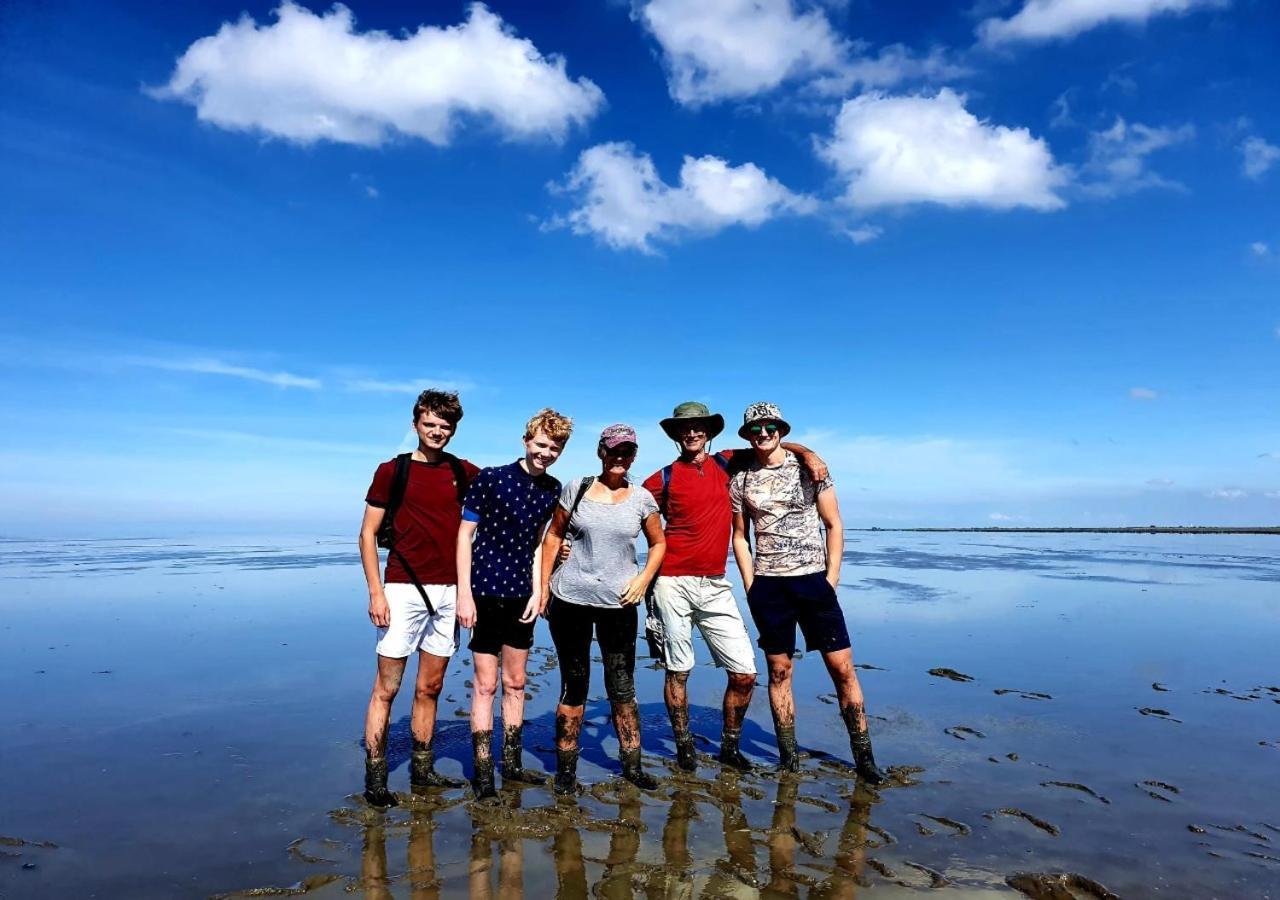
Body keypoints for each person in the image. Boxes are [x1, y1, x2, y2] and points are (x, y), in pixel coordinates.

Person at [640, 401, 829, 773]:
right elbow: (626, 512)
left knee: (745, 673)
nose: (692, 433)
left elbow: (771, 443)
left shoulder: (728, 463)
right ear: (676, 435)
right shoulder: (659, 479)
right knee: (679, 670)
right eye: (684, 428)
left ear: (709, 432)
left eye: (698, 427)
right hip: (670, 582)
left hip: (715, 583)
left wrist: (809, 453)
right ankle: (684, 748)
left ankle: (729, 746)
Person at [729, 402, 885, 784]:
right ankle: (788, 758)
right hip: (769, 585)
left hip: (813, 581)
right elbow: (740, 536)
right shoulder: (741, 479)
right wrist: (751, 584)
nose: (763, 435)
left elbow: (833, 524)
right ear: (747, 435)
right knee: (779, 671)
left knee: (842, 668)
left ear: (780, 429)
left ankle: (864, 759)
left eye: (769, 427)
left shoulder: (811, 469)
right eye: (755, 429)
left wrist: (830, 579)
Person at [358, 389, 479, 807]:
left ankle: (422, 771)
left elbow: (507, 506)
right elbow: (368, 534)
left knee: (430, 687)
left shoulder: (464, 472)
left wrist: (561, 541)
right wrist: (376, 592)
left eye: (445, 426)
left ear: (454, 429)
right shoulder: (392, 471)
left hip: (450, 592)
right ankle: (375, 779)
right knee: (386, 689)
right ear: (416, 425)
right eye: (430, 424)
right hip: (402, 590)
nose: (437, 432)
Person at [538, 424, 666, 794]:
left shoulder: (641, 499)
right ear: (601, 451)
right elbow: (553, 536)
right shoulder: (576, 488)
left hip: (619, 604)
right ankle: (565, 772)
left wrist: (643, 579)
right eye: (614, 450)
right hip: (570, 601)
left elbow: (659, 544)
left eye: (627, 452)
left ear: (634, 455)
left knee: (622, 686)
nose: (620, 458)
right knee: (574, 685)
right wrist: (545, 587)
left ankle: (632, 766)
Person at [456, 409, 573, 799]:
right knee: (486, 684)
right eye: (541, 444)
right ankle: (484, 772)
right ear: (526, 441)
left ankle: (513, 764)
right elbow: (464, 535)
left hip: (522, 595)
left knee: (517, 681)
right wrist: (464, 594)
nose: (545, 453)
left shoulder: (552, 489)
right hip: (484, 593)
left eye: (554, 447)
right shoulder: (490, 478)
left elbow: (543, 544)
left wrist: (541, 591)